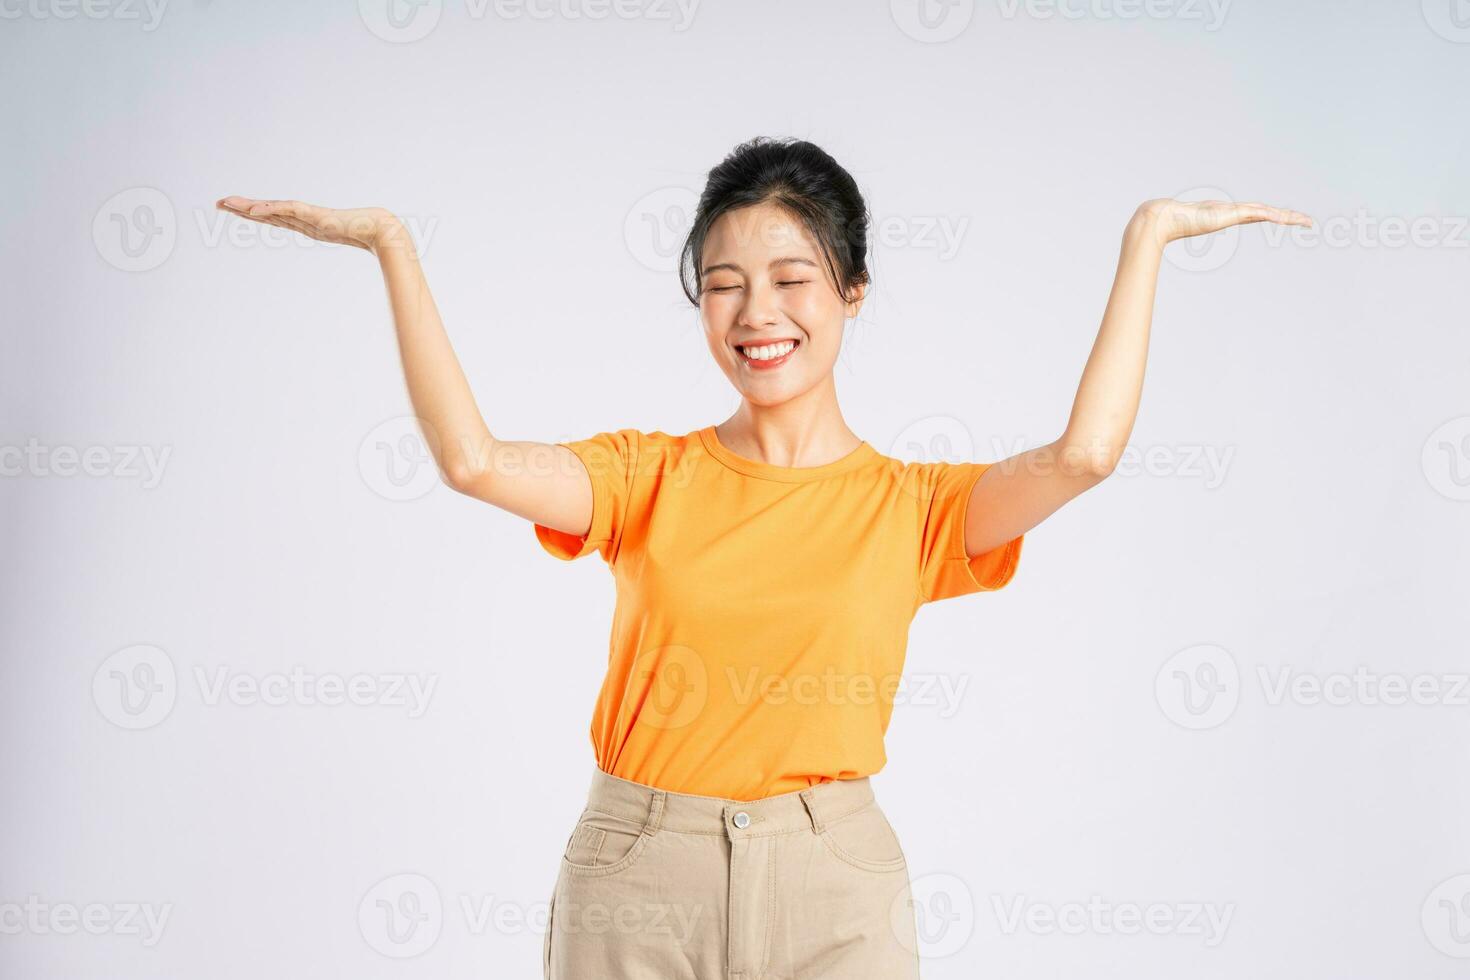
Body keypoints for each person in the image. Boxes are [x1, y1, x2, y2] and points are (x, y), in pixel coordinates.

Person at [217, 135, 1308, 979]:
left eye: (792, 276)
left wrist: (1148, 236)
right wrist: (393, 247)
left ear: (852, 291)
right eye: (725, 281)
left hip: (835, 882)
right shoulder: (649, 475)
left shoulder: (913, 507)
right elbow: (469, 459)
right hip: (636, 870)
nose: (757, 311)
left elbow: (1084, 454)